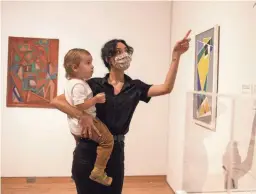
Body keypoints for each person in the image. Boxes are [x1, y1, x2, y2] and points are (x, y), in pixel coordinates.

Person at [51, 30, 191, 194]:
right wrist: (82, 116)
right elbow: (56, 101)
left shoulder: (135, 87)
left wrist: (176, 56)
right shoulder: (93, 84)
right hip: (87, 150)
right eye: (119, 52)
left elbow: (166, 88)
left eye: (126, 51)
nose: (124, 55)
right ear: (108, 58)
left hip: (115, 151)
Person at [63, 48, 117, 186]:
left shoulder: (71, 83)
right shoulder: (79, 85)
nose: (92, 66)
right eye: (88, 63)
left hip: (73, 124)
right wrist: (95, 100)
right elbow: (80, 105)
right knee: (108, 141)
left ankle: (75, 172)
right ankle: (98, 172)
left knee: (79, 147)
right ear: (75, 67)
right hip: (86, 122)